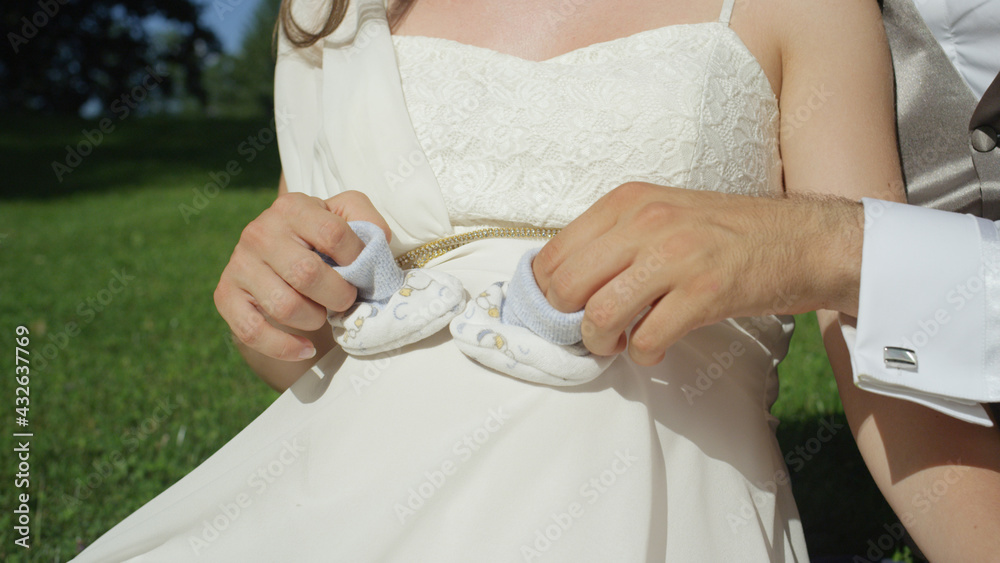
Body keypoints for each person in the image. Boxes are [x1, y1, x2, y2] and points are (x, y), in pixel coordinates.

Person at [71, 0, 998, 561]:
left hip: (643, 501)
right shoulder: (328, 15)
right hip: (328, 496)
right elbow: (312, 344)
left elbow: (877, 314)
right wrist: (271, 306)